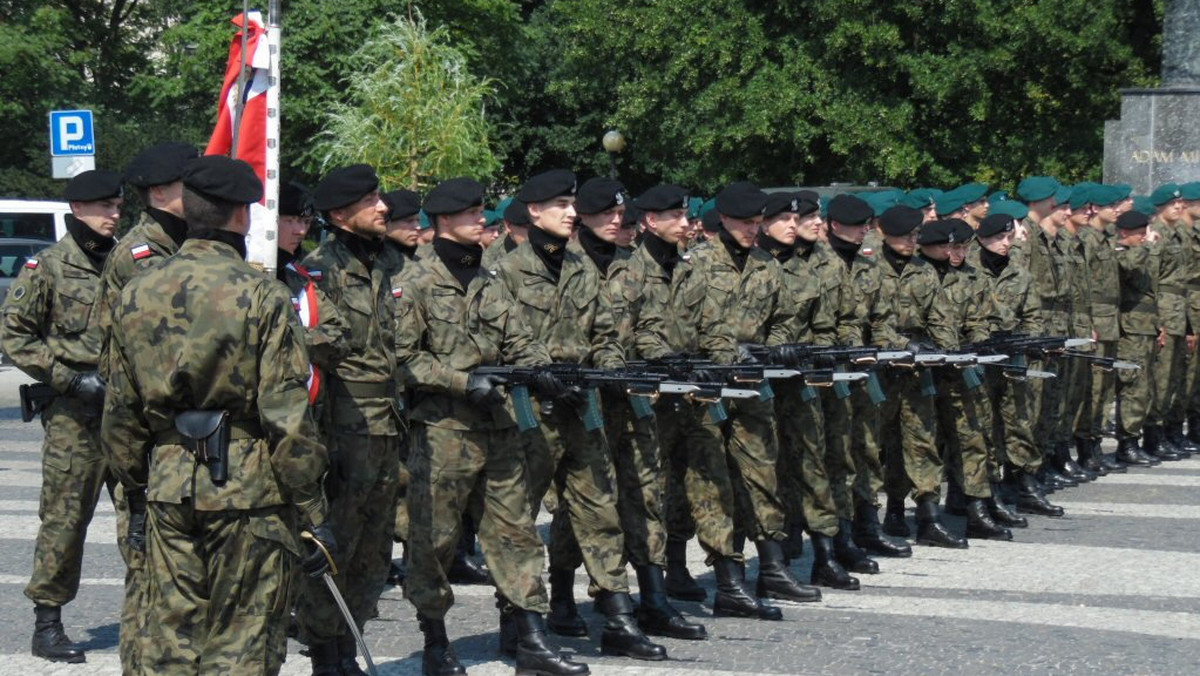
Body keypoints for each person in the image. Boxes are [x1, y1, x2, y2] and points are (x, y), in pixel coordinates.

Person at [102, 155, 334, 674]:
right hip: (248, 489)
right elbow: (287, 414)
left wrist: (136, 489)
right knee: (243, 639)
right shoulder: (261, 294)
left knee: (169, 635)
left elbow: (120, 407)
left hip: (167, 483)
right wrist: (313, 512)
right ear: (241, 216)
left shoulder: (137, 290)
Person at [395, 177, 586, 676]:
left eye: (482, 210)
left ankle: (530, 639)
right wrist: (460, 381)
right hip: (443, 432)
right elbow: (402, 359)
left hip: (499, 426)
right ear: (441, 221)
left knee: (515, 533)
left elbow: (519, 340)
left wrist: (542, 372)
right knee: (433, 541)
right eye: (469, 212)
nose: (481, 218)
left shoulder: (492, 278)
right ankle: (435, 642)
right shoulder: (413, 281)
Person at [492, 169, 667, 659]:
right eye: (561, 205)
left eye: (573, 204)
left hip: (582, 407)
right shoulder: (505, 270)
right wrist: (538, 371)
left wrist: (612, 371)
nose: (571, 213)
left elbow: (605, 335)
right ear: (533, 211)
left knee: (599, 509)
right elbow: (498, 339)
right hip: (531, 412)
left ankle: (617, 616)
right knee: (518, 520)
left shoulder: (580, 267)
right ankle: (518, 620)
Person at [633, 183, 784, 621]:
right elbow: (622, 333)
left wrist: (729, 362)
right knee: (655, 492)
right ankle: (656, 585)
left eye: (686, 216)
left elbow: (713, 328)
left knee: (711, 483)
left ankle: (729, 583)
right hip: (650, 396)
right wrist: (660, 361)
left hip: (696, 393)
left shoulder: (687, 269)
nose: (687, 224)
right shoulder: (629, 271)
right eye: (676, 217)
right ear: (649, 221)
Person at [2, 169, 121, 664]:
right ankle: (47, 624)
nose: (114, 214)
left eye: (117, 205)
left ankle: (153, 615)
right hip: (74, 416)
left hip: (126, 412)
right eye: (104, 207)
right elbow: (15, 337)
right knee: (66, 520)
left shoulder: (127, 262)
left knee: (145, 518)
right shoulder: (47, 267)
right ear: (77, 210)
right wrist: (71, 379)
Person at [297, 164, 401, 675]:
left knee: (375, 549)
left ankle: (347, 641)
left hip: (387, 425)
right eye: (371, 200)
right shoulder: (318, 271)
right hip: (343, 426)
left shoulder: (387, 265)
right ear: (340, 214)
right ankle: (323, 651)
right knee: (338, 543)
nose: (384, 207)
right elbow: (309, 343)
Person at [757, 192, 861, 589]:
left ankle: (825, 553)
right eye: (795, 217)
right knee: (767, 469)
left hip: (801, 378)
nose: (811, 224)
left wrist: (825, 354)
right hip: (755, 380)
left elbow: (832, 323)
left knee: (812, 463)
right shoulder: (754, 265)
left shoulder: (812, 269)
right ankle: (777, 552)